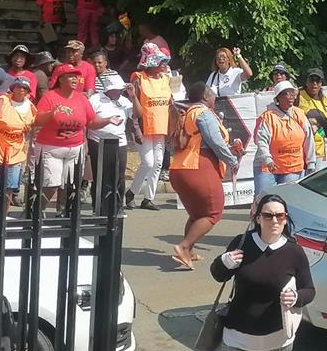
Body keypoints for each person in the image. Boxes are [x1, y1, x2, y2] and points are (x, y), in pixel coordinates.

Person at [209, 194, 315, 351]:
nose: (274, 220)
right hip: (237, 338)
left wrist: (297, 297)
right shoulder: (242, 243)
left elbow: (309, 290)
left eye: (280, 216)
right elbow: (218, 274)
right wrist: (224, 262)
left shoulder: (294, 252)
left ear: (286, 219)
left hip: (277, 342)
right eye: (268, 215)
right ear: (258, 218)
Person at [33, 64, 122, 215]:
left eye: (76, 76)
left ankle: (63, 212)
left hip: (75, 148)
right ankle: (36, 210)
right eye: (70, 76)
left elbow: (91, 122)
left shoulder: (81, 98)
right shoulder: (50, 97)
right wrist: (51, 114)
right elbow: (37, 120)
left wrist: (107, 120)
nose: (75, 79)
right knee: (51, 184)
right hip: (51, 148)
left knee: (69, 185)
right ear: (61, 79)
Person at [170, 82, 241, 269]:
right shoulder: (203, 114)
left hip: (178, 168)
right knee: (212, 213)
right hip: (198, 167)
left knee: (196, 214)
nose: (214, 96)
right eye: (211, 93)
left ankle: (189, 251)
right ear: (204, 97)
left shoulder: (186, 113)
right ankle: (184, 247)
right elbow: (216, 143)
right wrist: (232, 161)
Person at [126, 42, 174, 211]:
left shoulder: (166, 78)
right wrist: (135, 127)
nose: (163, 64)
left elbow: (172, 101)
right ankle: (131, 193)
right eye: (160, 61)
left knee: (158, 163)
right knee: (148, 162)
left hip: (160, 126)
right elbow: (135, 105)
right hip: (144, 126)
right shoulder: (138, 78)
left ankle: (148, 198)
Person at [252, 81, 315, 198]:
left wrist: (311, 163)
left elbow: (309, 140)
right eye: (287, 94)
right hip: (268, 167)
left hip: (292, 167)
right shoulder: (267, 117)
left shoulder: (300, 114)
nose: (291, 97)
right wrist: (268, 160)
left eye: (293, 93)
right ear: (278, 97)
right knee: (263, 199)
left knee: (288, 200)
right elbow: (261, 141)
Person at [88, 74, 133, 212]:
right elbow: (89, 122)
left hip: (119, 142)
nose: (119, 92)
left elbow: (138, 114)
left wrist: (134, 96)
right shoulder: (95, 99)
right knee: (101, 174)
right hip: (98, 140)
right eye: (116, 89)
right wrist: (107, 120)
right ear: (108, 89)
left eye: (121, 89)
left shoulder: (125, 101)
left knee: (119, 175)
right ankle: (99, 205)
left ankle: (117, 206)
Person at [0, 77, 36, 213]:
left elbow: (30, 130)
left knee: (9, 186)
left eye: (24, 88)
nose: (21, 90)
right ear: (13, 88)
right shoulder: (2, 101)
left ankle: (3, 214)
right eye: (18, 87)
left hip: (16, 151)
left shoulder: (31, 107)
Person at [295, 68, 327, 167]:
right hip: (299, 148)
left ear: (321, 83)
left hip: (317, 148)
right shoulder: (298, 97)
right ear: (306, 82)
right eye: (311, 80)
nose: (314, 83)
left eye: (317, 81)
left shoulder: (326, 100)